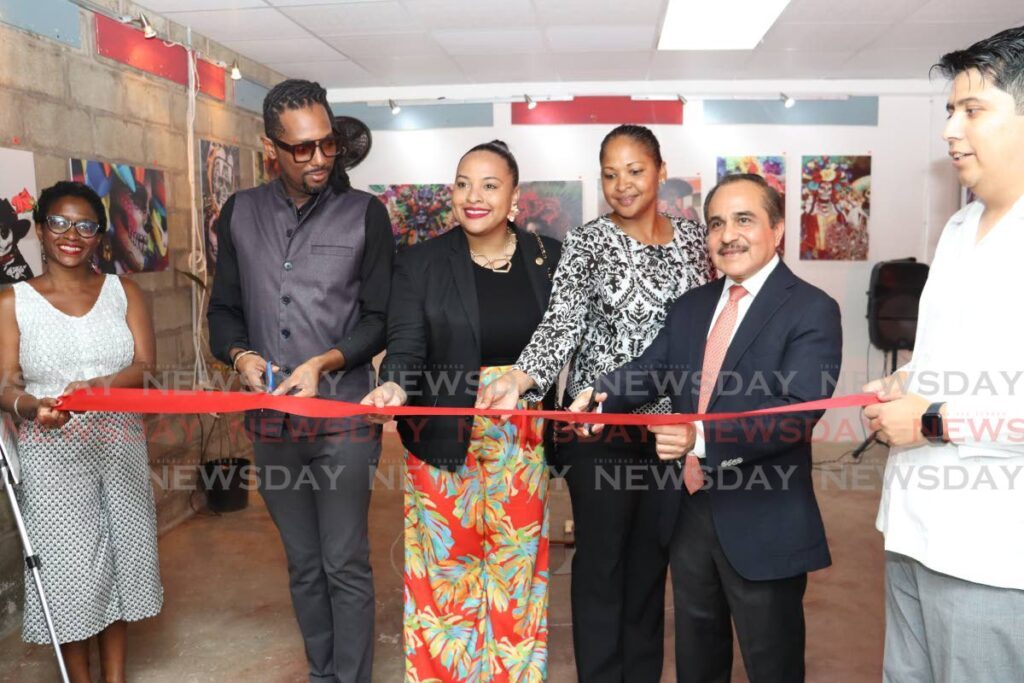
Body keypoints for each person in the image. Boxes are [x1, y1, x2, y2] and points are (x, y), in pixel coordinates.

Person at [579, 173, 842, 683]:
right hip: (689, 514)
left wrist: (700, 438)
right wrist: (601, 393)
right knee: (697, 660)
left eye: (744, 220)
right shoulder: (692, 307)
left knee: (773, 664)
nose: (727, 236)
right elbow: (653, 369)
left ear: (778, 229)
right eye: (716, 223)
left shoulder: (812, 309)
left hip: (764, 517)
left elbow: (798, 409)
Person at [477, 125, 714, 682]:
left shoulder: (692, 241)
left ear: (660, 170)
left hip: (668, 434)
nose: (622, 185)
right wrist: (522, 376)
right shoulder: (586, 242)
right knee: (602, 567)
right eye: (610, 173)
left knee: (651, 568)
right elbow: (561, 324)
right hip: (598, 431)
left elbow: (705, 326)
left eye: (634, 170)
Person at [207, 79, 393, 683]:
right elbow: (223, 313)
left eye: (328, 145)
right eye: (301, 148)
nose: (318, 159)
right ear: (271, 148)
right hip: (271, 425)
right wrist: (240, 357)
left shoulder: (366, 214)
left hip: (343, 422)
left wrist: (324, 363)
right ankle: (322, 672)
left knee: (344, 562)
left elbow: (378, 320)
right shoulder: (239, 213)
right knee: (305, 564)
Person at [362, 140, 561, 682]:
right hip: (442, 435)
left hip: (520, 439)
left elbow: (563, 341)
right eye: (463, 183)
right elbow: (404, 346)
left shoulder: (548, 257)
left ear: (514, 196)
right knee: (446, 572)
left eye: (490, 185)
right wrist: (394, 389)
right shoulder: (422, 263)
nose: (474, 197)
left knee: (516, 572)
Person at [863, 27, 1024, 682]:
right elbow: (952, 357)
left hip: (990, 556)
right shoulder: (960, 228)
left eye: (974, 110)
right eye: (949, 110)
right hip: (912, 532)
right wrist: (907, 382)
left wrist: (932, 420)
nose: (950, 130)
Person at [0, 181, 163, 683]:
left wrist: (100, 387)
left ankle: (115, 678)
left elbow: (147, 366)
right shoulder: (13, 301)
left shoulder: (124, 291)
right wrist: (32, 407)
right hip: (51, 455)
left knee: (118, 560)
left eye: (86, 225)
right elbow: (5, 385)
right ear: (43, 231)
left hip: (119, 446)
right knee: (71, 573)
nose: (73, 235)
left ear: (99, 237)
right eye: (60, 223)